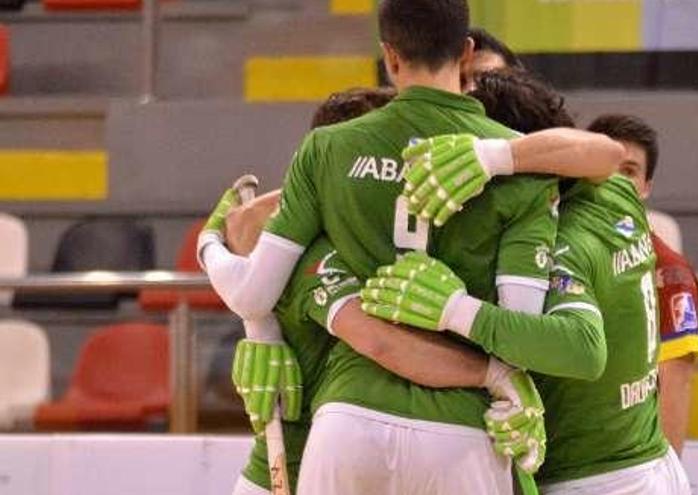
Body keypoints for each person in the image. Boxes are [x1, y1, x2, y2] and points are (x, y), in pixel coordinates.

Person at [199, 0, 623, 493]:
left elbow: (253, 290)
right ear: (466, 53)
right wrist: (497, 367)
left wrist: (211, 245)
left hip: (348, 416)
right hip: (463, 430)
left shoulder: (328, 149)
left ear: (389, 56)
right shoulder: (523, 166)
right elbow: (520, 322)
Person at [365, 130, 691, 494]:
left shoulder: (564, 241)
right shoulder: (622, 195)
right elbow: (605, 154)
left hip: (595, 478)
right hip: (652, 463)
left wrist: (457, 311)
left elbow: (583, 348)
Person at [587, 114, 698, 457]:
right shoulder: (549, 246)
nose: (616, 181)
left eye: (629, 171)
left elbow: (674, 381)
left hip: (625, 465)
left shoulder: (669, 271)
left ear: (646, 186)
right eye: (606, 165)